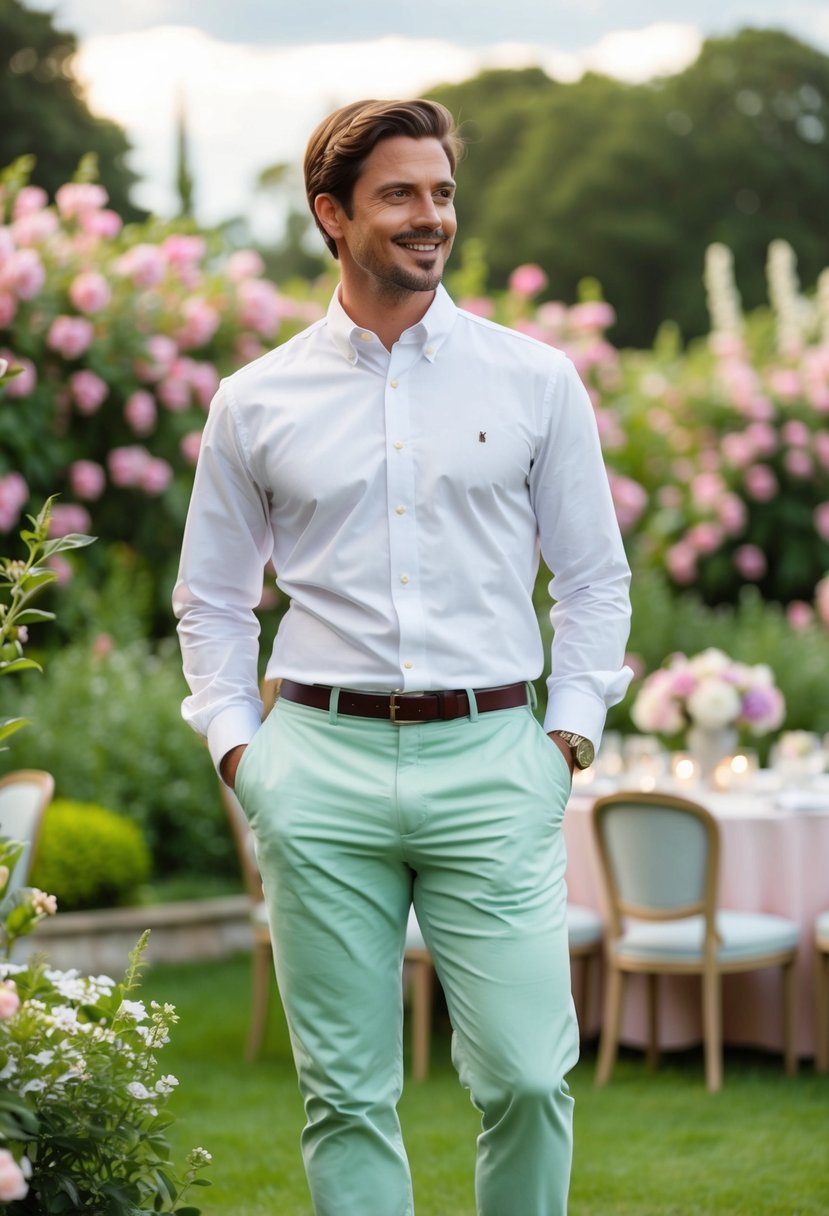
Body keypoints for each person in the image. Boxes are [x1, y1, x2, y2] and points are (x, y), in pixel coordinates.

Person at [173, 97, 632, 1216]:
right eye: (399, 195)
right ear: (332, 214)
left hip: (494, 758)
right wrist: (244, 756)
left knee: (527, 1077)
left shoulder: (533, 380)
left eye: (441, 193)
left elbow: (593, 579)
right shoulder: (255, 400)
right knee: (345, 1095)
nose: (431, 216)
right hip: (316, 765)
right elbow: (212, 600)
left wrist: (564, 739)